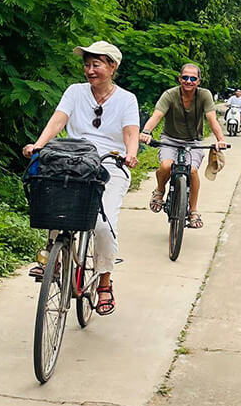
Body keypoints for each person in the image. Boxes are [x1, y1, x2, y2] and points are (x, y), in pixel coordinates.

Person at [22, 41, 139, 315]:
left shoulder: (126, 99)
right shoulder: (75, 92)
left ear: (112, 67)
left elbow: (131, 132)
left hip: (110, 164)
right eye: (87, 64)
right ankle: (53, 257)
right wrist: (39, 145)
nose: (89, 70)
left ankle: (105, 283)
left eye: (96, 64)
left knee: (102, 224)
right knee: (55, 202)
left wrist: (131, 154)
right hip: (74, 160)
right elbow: (58, 120)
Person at [139, 63, 227, 229]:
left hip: (193, 142)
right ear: (180, 78)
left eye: (193, 78)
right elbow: (157, 115)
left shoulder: (204, 95)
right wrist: (146, 131)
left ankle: (193, 210)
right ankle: (159, 191)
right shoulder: (170, 95)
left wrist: (220, 139)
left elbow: (212, 119)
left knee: (192, 171)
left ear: (198, 81)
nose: (188, 81)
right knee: (166, 165)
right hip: (170, 140)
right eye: (185, 77)